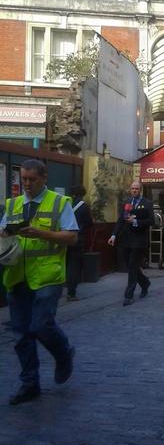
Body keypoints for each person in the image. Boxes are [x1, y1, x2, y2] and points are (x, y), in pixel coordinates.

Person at [0, 159, 78, 405]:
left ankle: (63, 353)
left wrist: (41, 233)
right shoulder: (12, 204)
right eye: (23, 179)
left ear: (44, 178)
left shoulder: (59, 202)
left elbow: (72, 237)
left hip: (47, 276)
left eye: (32, 179)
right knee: (21, 334)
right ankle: (29, 383)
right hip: (18, 276)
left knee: (41, 326)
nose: (27, 184)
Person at [108, 181, 154, 306]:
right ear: (130, 189)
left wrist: (136, 221)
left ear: (141, 190)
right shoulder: (126, 202)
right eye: (132, 188)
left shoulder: (147, 203)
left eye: (137, 189)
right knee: (129, 265)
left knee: (133, 265)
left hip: (139, 240)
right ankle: (145, 282)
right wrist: (113, 235)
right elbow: (120, 220)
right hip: (126, 239)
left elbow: (151, 221)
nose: (134, 190)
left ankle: (128, 295)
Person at [66, 185, 93, 301]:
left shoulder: (66, 205)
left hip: (63, 237)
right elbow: (89, 223)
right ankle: (71, 292)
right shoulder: (84, 207)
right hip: (77, 239)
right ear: (82, 194)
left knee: (64, 263)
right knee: (74, 265)